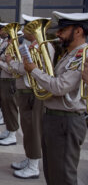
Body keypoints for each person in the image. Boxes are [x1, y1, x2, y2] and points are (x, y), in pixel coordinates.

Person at [23, 11, 88, 184]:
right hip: (55, 118)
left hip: (66, 121)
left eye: (63, 30)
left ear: (79, 31)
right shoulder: (69, 54)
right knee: (52, 173)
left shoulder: (81, 56)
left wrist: (34, 70)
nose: (58, 34)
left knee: (63, 176)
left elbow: (59, 87)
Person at [8, 14, 55, 179]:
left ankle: (34, 165)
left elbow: (25, 69)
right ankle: (30, 159)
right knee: (27, 129)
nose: (22, 31)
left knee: (33, 129)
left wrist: (11, 62)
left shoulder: (43, 47)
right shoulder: (33, 45)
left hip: (34, 94)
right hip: (28, 92)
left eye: (26, 28)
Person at [0, 27, 19, 146]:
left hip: (10, 81)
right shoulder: (10, 49)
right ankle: (9, 130)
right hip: (5, 80)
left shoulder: (16, 50)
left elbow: (12, 69)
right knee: (6, 107)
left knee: (10, 108)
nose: (8, 42)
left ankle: (13, 134)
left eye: (9, 39)